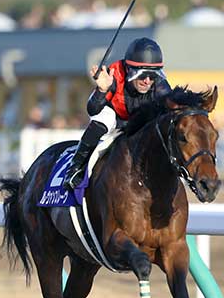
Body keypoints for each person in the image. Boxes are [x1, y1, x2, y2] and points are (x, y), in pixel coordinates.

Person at [62, 37, 173, 191]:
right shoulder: (113, 76)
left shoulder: (160, 85)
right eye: (142, 75)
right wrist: (102, 91)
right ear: (129, 70)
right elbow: (92, 110)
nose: (148, 81)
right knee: (103, 119)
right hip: (116, 118)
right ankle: (76, 168)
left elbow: (172, 108)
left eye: (153, 75)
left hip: (141, 121)